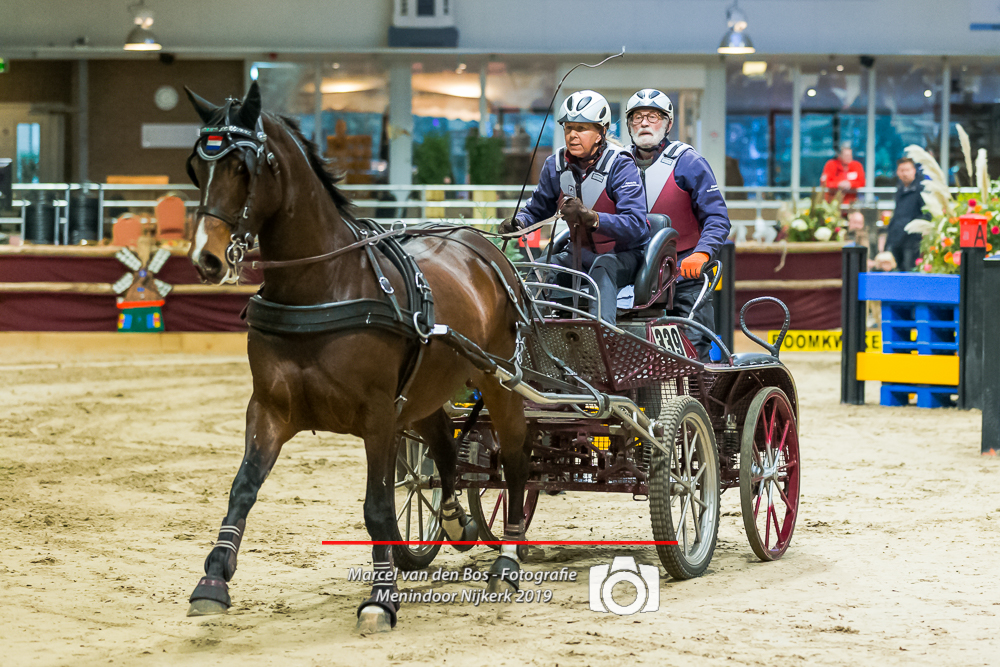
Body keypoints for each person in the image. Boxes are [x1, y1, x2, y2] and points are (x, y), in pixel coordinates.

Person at [500, 90, 648, 325]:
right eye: (568, 128)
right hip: (578, 254)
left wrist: (592, 218)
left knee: (603, 268)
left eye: (581, 128)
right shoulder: (555, 164)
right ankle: (529, 336)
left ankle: (602, 339)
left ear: (601, 132)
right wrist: (520, 222)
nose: (572, 135)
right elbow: (537, 209)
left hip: (623, 256)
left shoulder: (621, 165)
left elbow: (636, 225)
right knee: (540, 270)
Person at [624, 88, 731, 362]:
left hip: (684, 274)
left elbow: (717, 218)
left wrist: (702, 253)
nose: (644, 123)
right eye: (637, 117)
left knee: (692, 354)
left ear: (668, 123)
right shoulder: (618, 163)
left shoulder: (688, 162)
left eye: (653, 117)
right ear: (628, 125)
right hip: (632, 276)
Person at [885, 157, 925, 272]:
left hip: (912, 242)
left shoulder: (921, 190)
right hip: (896, 239)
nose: (905, 174)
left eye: (907, 170)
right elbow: (897, 215)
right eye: (902, 170)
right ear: (897, 172)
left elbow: (926, 215)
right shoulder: (900, 190)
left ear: (914, 171)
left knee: (910, 271)